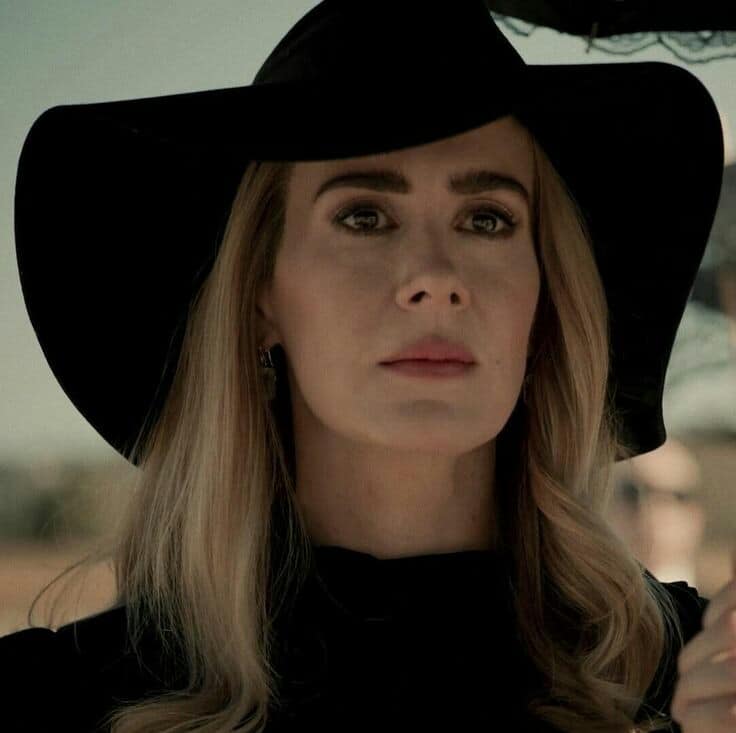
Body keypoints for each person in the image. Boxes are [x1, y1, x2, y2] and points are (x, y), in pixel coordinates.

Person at [0, 1, 726, 731]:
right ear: (260, 297)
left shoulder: (694, 679)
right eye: (365, 217)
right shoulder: (56, 702)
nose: (435, 277)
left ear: (543, 301)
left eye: (486, 219)